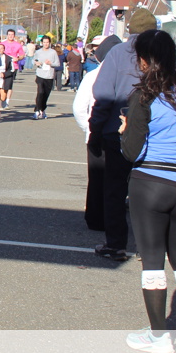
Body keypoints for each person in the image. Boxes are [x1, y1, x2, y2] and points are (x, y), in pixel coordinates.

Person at [120, 30, 176, 353]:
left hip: (150, 182)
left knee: (153, 261)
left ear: (143, 60)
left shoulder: (143, 96)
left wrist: (124, 130)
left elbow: (131, 152)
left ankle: (158, 337)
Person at [89, 8, 159, 262]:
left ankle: (116, 244)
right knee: (148, 191)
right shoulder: (163, 54)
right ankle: (147, 247)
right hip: (153, 133)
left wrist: (95, 129)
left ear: (130, 30)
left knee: (115, 190)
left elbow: (104, 95)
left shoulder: (119, 52)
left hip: (117, 130)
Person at [72, 35, 121, 231]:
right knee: (109, 178)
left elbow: (78, 108)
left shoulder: (95, 76)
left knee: (100, 178)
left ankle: (98, 217)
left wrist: (89, 128)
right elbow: (79, 108)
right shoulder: (94, 76)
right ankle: (102, 217)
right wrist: (89, 128)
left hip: (102, 133)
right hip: (104, 133)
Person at [31, 36, 59, 120]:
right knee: (40, 92)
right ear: (42, 43)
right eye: (44, 42)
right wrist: (36, 63)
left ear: (49, 43)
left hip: (49, 76)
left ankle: (42, 110)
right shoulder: (38, 52)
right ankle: (37, 111)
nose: (46, 44)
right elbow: (33, 60)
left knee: (46, 94)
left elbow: (57, 64)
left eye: (47, 42)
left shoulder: (53, 52)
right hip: (40, 75)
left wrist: (51, 63)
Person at [0, 29, 24, 108]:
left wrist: (18, 58)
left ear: (14, 36)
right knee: (1, 84)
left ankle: (7, 101)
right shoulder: (2, 44)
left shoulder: (18, 45)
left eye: (12, 35)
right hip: (2, 65)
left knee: (9, 85)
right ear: (7, 35)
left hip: (13, 66)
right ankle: (3, 99)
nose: (10, 36)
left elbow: (22, 55)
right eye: (9, 34)